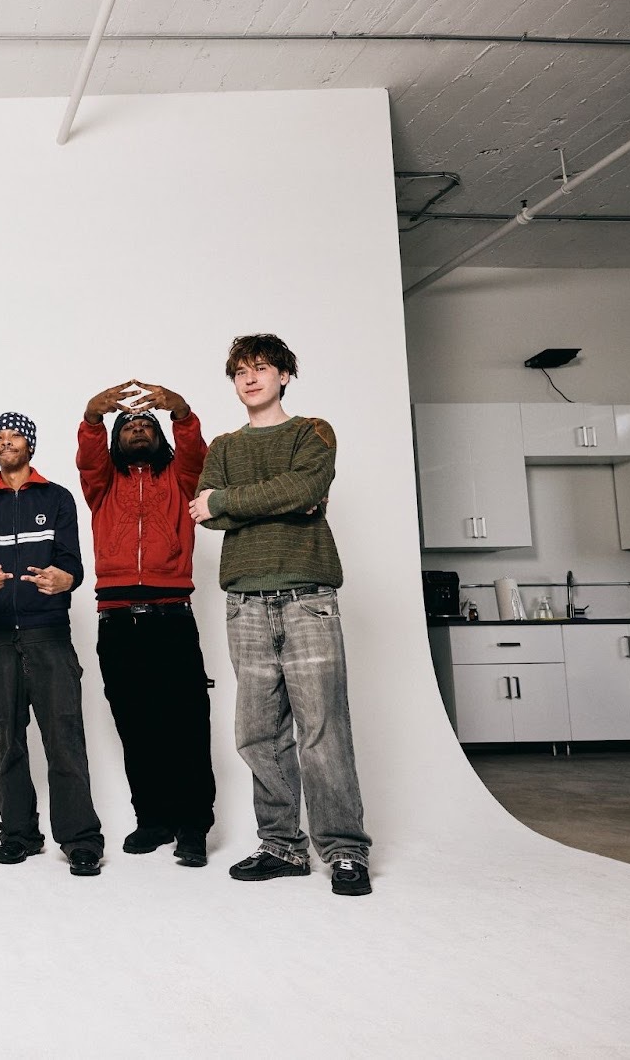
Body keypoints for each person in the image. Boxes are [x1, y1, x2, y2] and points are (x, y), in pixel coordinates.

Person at [189, 334, 373, 897]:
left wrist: (231, 500)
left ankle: (344, 850)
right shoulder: (223, 446)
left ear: (284, 375)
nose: (250, 378)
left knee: (322, 729)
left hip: (307, 599)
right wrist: (277, 500)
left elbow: (303, 488)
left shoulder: (312, 432)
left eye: (262, 368)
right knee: (258, 734)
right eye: (241, 371)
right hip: (244, 601)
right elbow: (204, 511)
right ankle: (281, 846)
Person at [77, 380, 217, 868]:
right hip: (116, 621)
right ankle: (153, 818)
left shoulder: (181, 478)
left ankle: (193, 825)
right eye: (128, 426)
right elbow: (89, 460)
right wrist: (93, 416)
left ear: (160, 438)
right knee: (135, 724)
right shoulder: (102, 486)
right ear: (116, 441)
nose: (137, 429)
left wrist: (180, 410)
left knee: (187, 724)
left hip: (171, 616)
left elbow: (195, 454)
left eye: (145, 425)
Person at [0, 412, 104, 876]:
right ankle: (18, 835)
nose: (6, 443)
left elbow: (72, 563)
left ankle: (81, 840)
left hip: (50, 636)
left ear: (30, 446)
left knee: (64, 739)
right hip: (1, 640)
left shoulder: (57, 498)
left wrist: (65, 579)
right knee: (9, 741)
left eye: (15, 436)